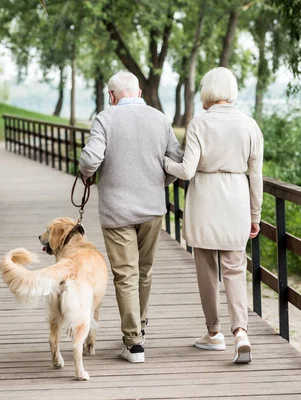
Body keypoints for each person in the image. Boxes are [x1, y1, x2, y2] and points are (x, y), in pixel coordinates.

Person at [79, 71, 183, 363]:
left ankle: (134, 342)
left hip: (117, 211)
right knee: (144, 271)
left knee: (126, 274)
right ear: (139, 93)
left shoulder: (105, 118)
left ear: (111, 96)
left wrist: (88, 175)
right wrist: (158, 184)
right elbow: (176, 161)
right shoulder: (160, 118)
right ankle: (141, 328)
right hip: (152, 208)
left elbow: (90, 160)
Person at [163, 67, 264, 364]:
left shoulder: (200, 123)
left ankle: (214, 333)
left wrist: (163, 162)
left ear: (208, 91)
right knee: (235, 268)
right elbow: (256, 176)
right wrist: (255, 215)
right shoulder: (250, 125)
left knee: (206, 270)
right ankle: (241, 332)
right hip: (236, 198)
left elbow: (186, 170)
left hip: (205, 199)